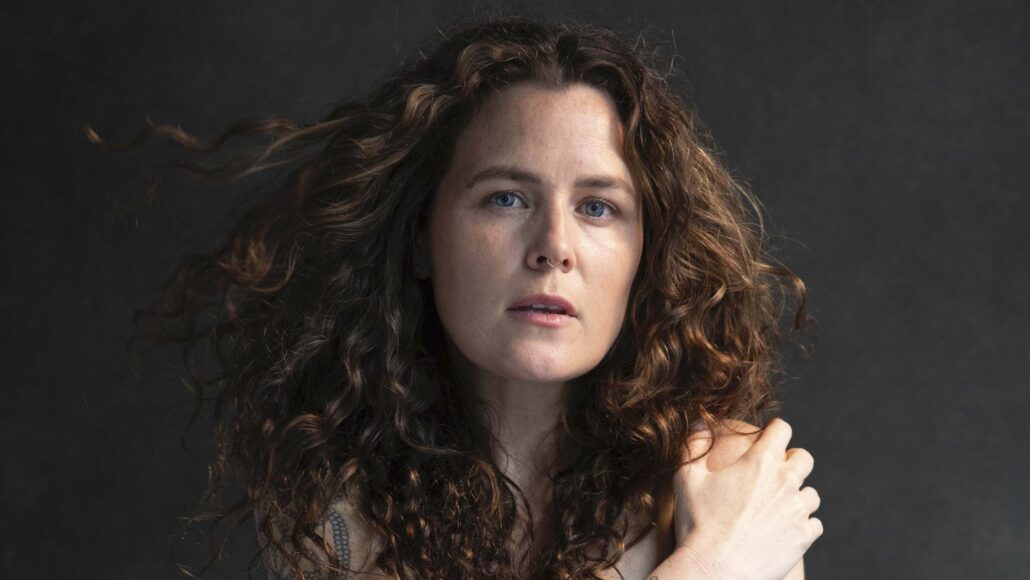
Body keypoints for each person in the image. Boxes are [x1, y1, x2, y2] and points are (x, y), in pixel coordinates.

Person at [92, 16, 821, 580]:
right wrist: (708, 569)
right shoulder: (340, 506)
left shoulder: (724, 482)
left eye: (598, 207)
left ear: (645, 256)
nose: (554, 245)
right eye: (506, 198)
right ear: (419, 239)